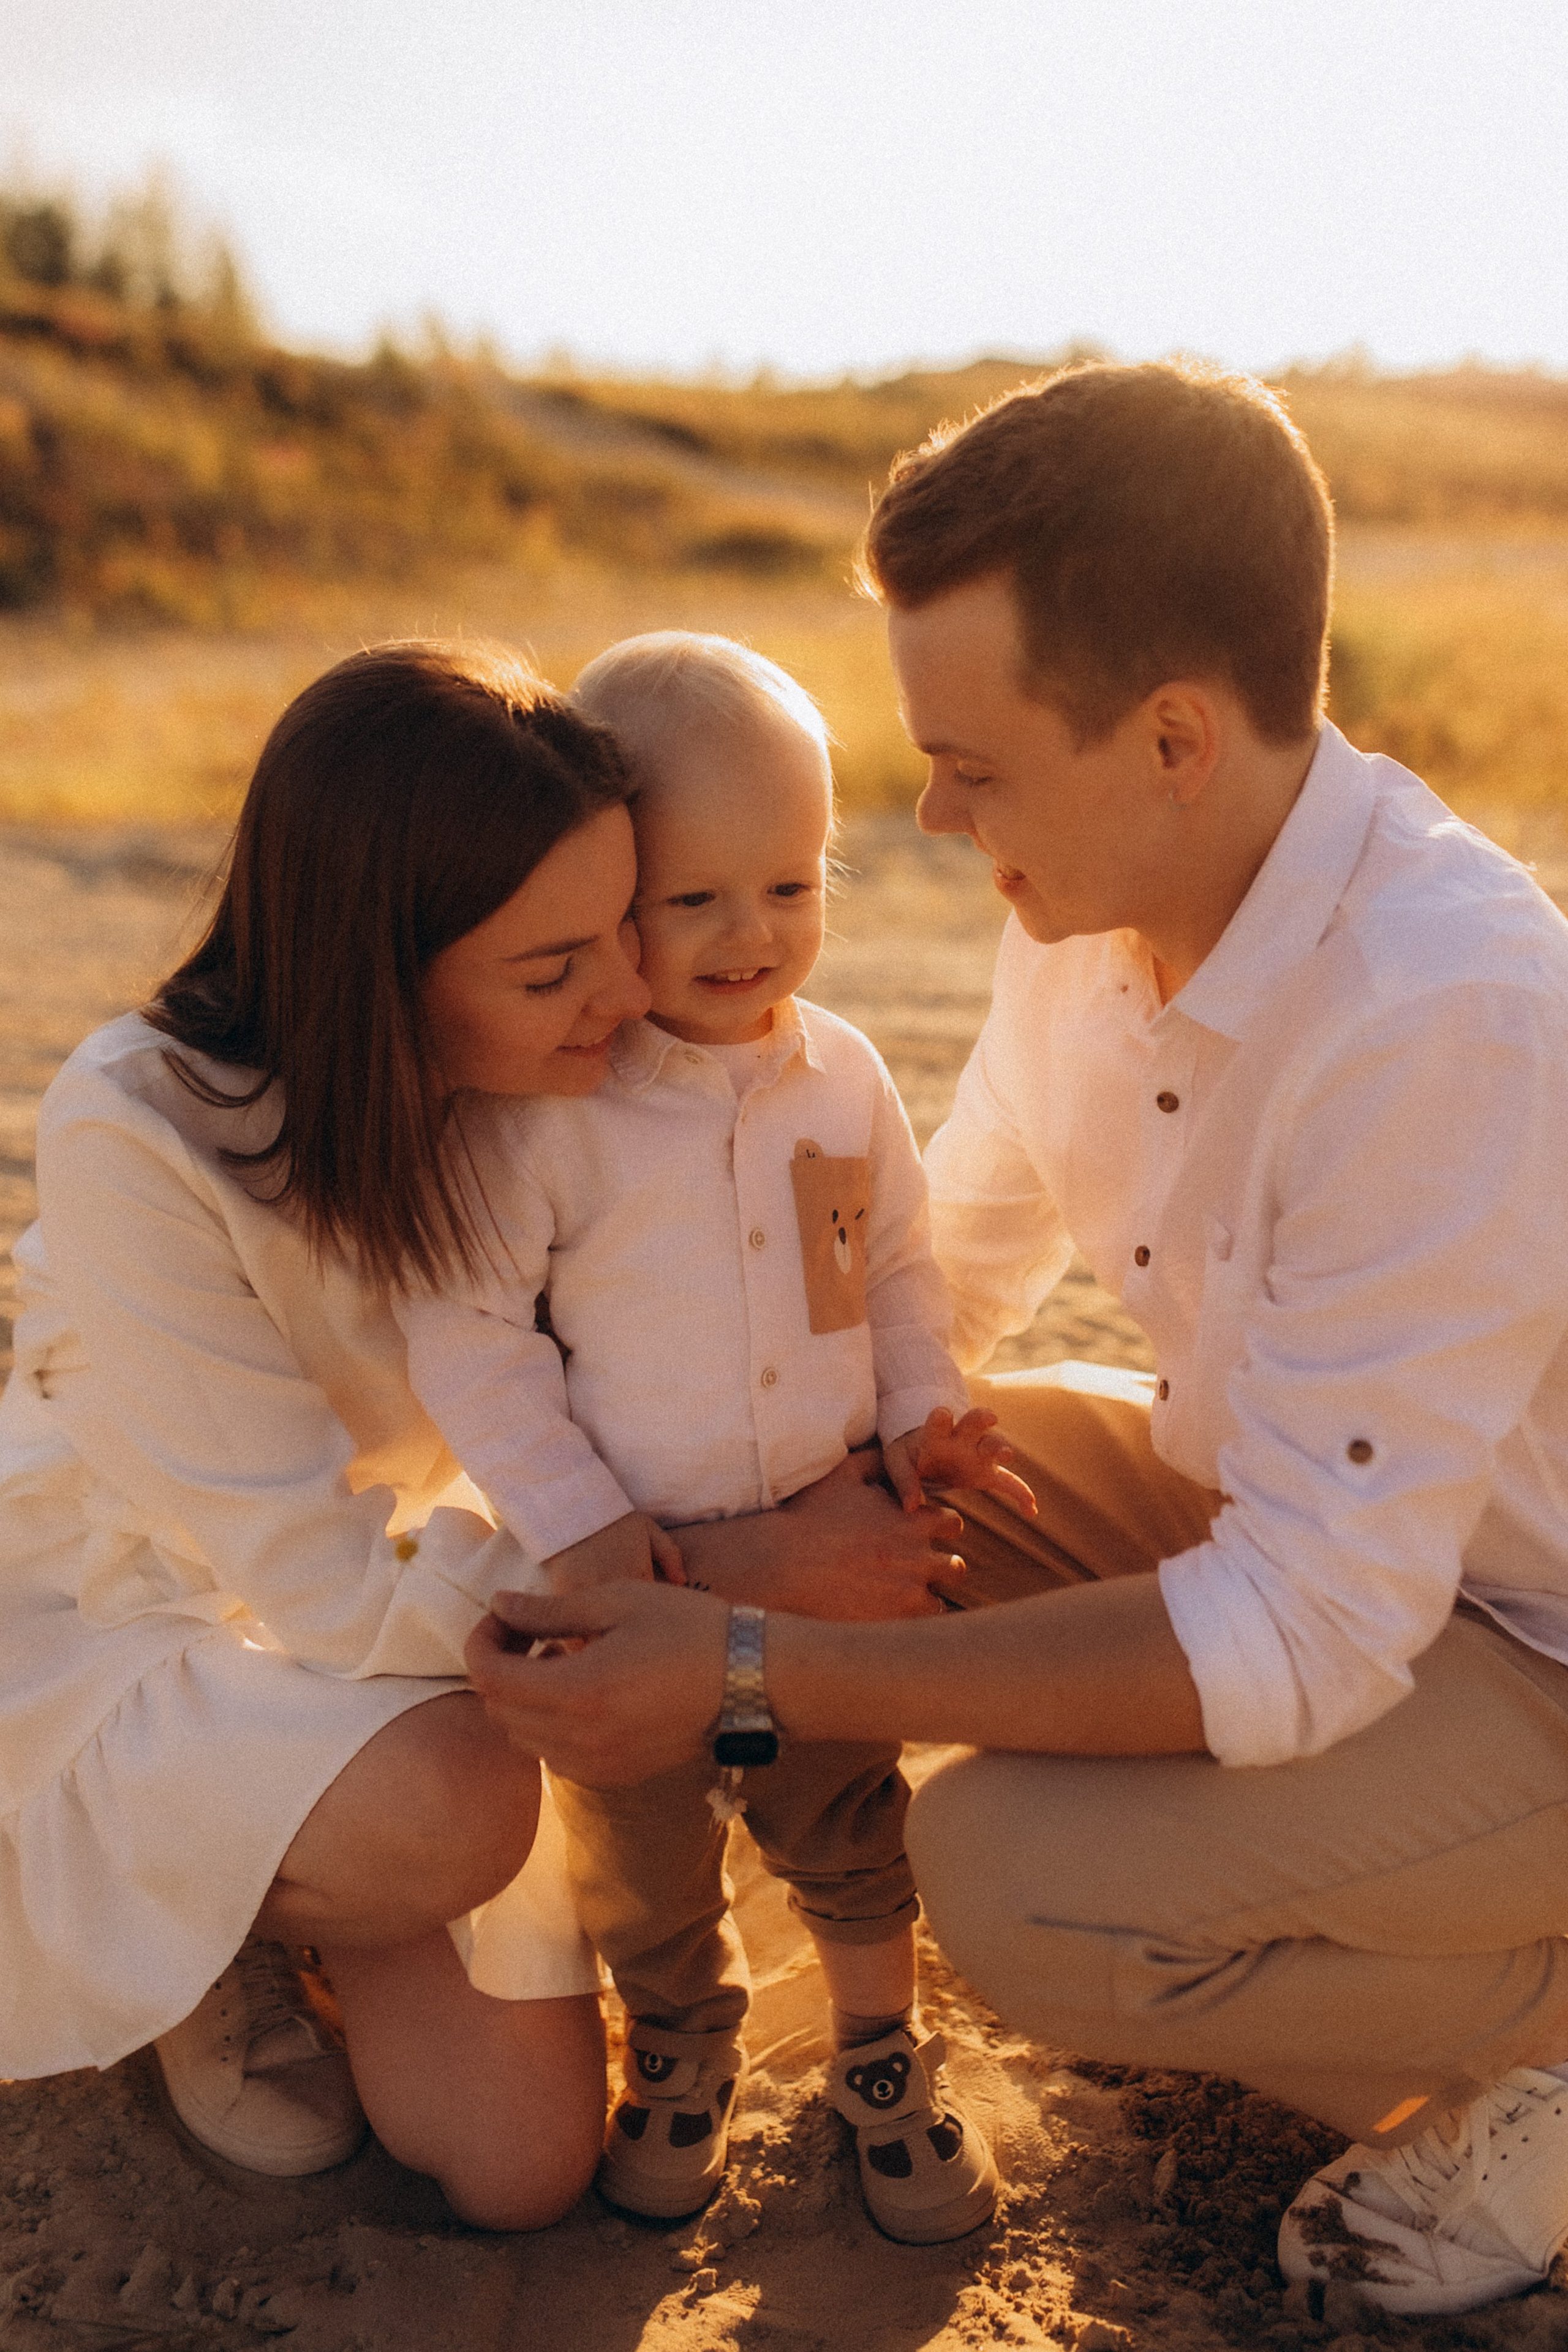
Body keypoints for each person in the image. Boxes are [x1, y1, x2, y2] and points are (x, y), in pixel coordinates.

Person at [464, 361, 1568, 2316]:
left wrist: (748, 1665)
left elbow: (1310, 1630)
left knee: (1015, 1882)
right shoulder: (1083, 909)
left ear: (1170, 739)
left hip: (1538, 1644)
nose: (925, 808)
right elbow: (936, 1262)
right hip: (1344, 1541)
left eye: (969, 759)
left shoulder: (1444, 1014)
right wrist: (731, 1545)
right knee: (946, 1498)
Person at [0, 641, 960, 2230]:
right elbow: (309, 1588)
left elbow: (775, 1284)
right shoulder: (141, 1128)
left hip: (434, 1586)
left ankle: (312, 1877)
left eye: (621, 928)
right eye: (556, 965)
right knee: (459, 1802)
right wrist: (728, 1574)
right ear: (384, 964)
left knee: (518, 2169)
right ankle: (202, 1925)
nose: (633, 993)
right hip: (154, 1602)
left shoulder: (531, 1087)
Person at [396, 630, 1020, 2239]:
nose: (755, 936)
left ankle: (881, 2056)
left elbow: (887, 1268)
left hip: (823, 1527)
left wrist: (917, 1410)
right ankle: (681, 2048)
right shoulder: (558, 1112)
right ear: (611, 900)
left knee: (841, 1802)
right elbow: (471, 1332)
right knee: (647, 1841)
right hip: (635, 1552)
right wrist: (578, 1518)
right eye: (696, 901)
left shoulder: (845, 1079)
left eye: (795, 888)